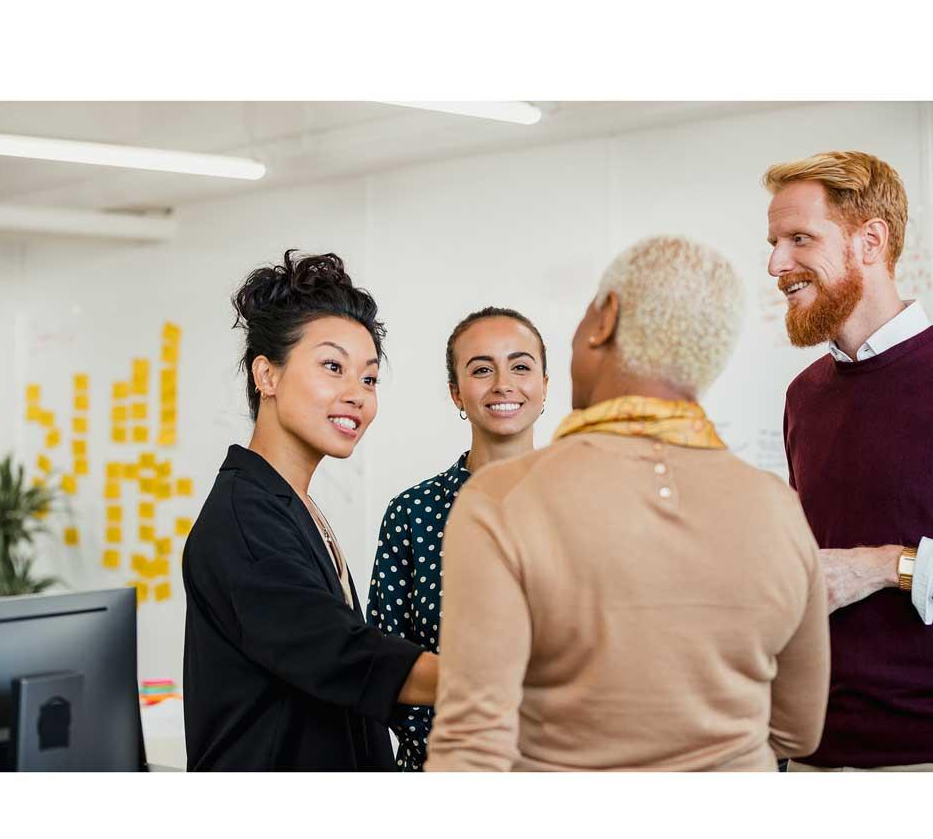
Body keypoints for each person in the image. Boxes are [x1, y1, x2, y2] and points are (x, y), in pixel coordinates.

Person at [425, 235, 831, 771]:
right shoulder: (777, 509)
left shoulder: (501, 500)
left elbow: (471, 748)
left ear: (605, 318)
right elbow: (798, 731)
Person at [182, 250, 437, 771]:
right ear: (267, 376)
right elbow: (344, 656)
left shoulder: (289, 502)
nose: (356, 396)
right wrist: (516, 680)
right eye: (332, 367)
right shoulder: (244, 522)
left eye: (368, 379)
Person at [764, 151, 933, 771]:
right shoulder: (804, 395)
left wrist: (889, 566)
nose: (777, 263)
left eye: (799, 239)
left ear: (870, 241)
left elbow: (855, 567)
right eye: (775, 242)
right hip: (810, 749)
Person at [366, 307, 548, 770]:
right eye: (482, 369)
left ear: (544, 387)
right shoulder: (412, 514)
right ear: (457, 394)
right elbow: (383, 661)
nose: (503, 383)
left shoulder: (589, 504)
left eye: (521, 366)